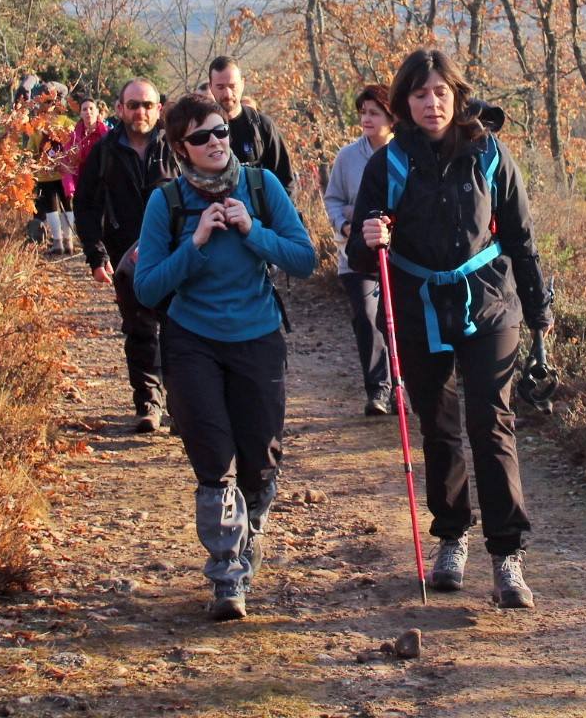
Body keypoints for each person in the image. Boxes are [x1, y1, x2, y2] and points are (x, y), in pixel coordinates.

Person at [347, 48, 552, 610]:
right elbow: (361, 260)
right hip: (417, 306)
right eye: (419, 94)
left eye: (440, 92)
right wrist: (371, 242)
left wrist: (538, 313)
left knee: (491, 425)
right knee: (438, 428)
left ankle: (507, 557)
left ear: (457, 95)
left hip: (489, 302)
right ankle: (452, 537)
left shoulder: (489, 153)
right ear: (402, 104)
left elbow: (520, 236)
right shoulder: (386, 164)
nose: (431, 103)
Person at [134, 91, 315, 621]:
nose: (215, 142)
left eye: (220, 131)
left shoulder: (262, 186)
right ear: (179, 148)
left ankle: (248, 531)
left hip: (258, 337)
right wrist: (194, 244)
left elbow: (303, 259)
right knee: (215, 462)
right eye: (200, 137)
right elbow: (147, 290)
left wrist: (251, 230)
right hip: (192, 341)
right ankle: (227, 574)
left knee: (259, 462)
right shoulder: (164, 203)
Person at [74, 79, 177, 432]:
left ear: (158, 109)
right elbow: (85, 205)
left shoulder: (176, 148)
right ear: (119, 109)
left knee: (179, 328)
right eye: (133, 105)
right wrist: (94, 254)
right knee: (139, 330)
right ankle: (149, 402)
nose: (140, 112)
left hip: (175, 256)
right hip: (125, 259)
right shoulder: (104, 152)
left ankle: (181, 405)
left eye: (147, 105)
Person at [323, 84, 396, 417]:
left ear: (391, 118)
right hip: (356, 256)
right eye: (363, 112)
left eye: (374, 113)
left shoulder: (405, 155)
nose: (366, 119)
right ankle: (377, 389)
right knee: (367, 317)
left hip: (399, 255)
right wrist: (345, 225)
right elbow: (333, 199)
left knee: (398, 319)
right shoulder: (347, 156)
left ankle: (401, 386)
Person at [207, 56, 294, 189]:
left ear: (242, 84)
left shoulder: (262, 126)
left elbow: (285, 180)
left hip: (261, 208)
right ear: (210, 87)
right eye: (220, 87)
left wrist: (283, 209)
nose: (227, 94)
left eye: (232, 86)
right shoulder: (203, 132)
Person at [28, 82, 76, 256]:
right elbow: (32, 147)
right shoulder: (42, 124)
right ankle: (62, 241)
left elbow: (74, 144)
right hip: (53, 172)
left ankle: (64, 241)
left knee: (60, 206)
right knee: (58, 207)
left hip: (57, 172)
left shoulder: (62, 123)